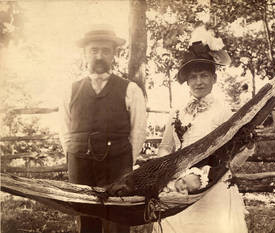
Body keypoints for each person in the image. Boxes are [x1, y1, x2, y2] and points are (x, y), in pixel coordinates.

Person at [153, 37, 248, 233]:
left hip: (213, 181)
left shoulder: (223, 111)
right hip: (180, 182)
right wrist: (163, 174)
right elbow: (166, 146)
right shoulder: (178, 110)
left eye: (204, 76)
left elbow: (234, 151)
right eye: (193, 77)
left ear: (214, 78)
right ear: (187, 81)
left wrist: (210, 173)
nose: (198, 82)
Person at [59, 24, 147, 233]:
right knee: (86, 218)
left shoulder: (130, 89)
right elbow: (64, 130)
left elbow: (138, 131)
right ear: (85, 54)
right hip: (81, 164)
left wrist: (124, 162)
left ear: (114, 55)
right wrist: (76, 156)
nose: (99, 56)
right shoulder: (70, 90)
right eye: (94, 50)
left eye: (106, 51)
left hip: (117, 166)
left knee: (117, 220)